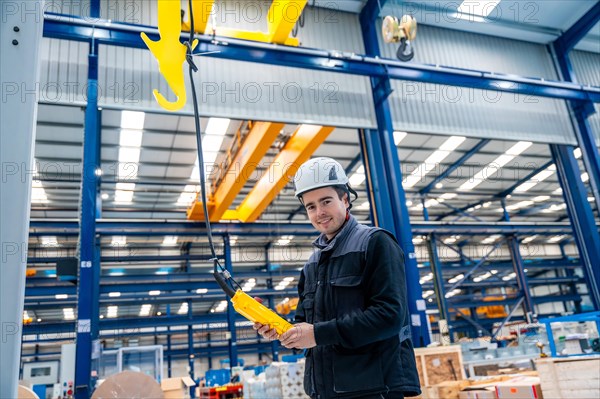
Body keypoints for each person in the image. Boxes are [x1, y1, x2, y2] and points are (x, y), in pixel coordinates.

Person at [253, 157, 421, 399]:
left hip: (374, 390)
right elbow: (305, 326)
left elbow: (390, 315)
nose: (319, 212)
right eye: (310, 206)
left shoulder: (375, 243)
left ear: (345, 199)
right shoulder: (312, 265)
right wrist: (283, 331)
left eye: (326, 201)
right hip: (325, 391)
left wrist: (318, 334)